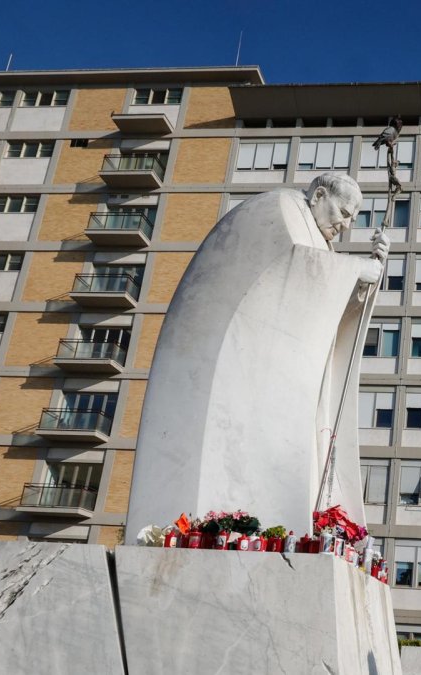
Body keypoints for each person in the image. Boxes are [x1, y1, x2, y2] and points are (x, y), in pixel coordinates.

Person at [128, 173, 390, 538]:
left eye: (351, 220)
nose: (345, 226)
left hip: (271, 379)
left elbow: (319, 312)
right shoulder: (277, 210)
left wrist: (365, 282)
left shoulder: (317, 237)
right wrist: (357, 269)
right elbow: (291, 266)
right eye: (344, 213)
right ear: (319, 195)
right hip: (231, 373)